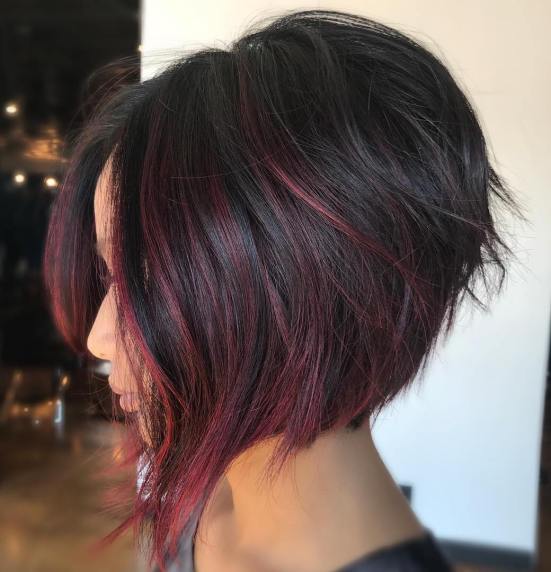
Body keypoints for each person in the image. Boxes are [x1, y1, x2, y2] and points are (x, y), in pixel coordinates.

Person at [42, 8, 524, 572]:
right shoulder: (204, 498)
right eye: (111, 276)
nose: (99, 338)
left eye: (144, 279)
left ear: (303, 292)